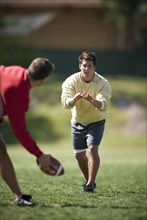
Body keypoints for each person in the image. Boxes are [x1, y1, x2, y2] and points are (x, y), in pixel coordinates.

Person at [0, 57, 56, 206]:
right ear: (43, 80)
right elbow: (19, 131)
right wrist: (40, 155)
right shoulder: (20, 92)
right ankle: (18, 196)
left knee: (1, 152)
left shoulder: (16, 69)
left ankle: (18, 196)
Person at [61, 51, 111, 193]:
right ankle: (90, 180)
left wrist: (92, 100)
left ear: (94, 67)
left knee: (93, 149)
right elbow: (65, 102)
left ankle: (89, 184)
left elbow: (104, 105)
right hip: (78, 121)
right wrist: (74, 100)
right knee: (78, 155)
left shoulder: (103, 83)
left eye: (90, 66)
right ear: (80, 66)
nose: (86, 69)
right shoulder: (71, 81)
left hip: (96, 121)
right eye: (84, 65)